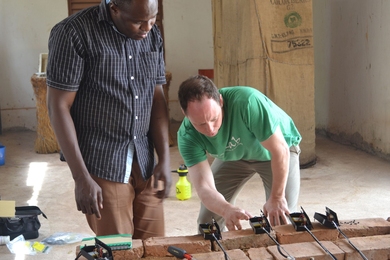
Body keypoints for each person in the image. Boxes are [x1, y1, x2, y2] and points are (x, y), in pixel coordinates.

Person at [46, 0, 171, 240]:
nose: (147, 28)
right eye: (138, 21)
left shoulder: (152, 33)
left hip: (144, 159)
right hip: (103, 161)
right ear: (114, 8)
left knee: (157, 248)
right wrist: (81, 177)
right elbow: (58, 106)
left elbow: (156, 99)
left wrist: (164, 158)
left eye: (153, 18)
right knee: (118, 249)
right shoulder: (74, 33)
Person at [177, 75, 301, 231]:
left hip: (275, 153)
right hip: (234, 155)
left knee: (283, 218)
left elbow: (280, 150)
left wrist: (276, 197)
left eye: (214, 119)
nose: (210, 129)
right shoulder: (187, 135)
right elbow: (204, 187)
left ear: (221, 101)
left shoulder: (247, 102)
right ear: (185, 113)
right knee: (208, 222)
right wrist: (226, 209)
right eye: (200, 124)